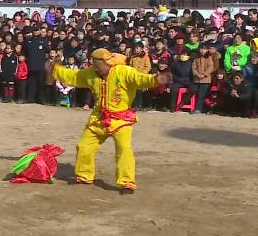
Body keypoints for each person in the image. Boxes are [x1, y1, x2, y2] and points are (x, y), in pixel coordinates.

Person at [52, 48, 169, 195]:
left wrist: (155, 80)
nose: (94, 66)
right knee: (84, 146)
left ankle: (126, 182)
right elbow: (73, 76)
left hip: (121, 119)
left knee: (124, 149)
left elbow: (141, 79)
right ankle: (84, 175)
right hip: (99, 117)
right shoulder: (90, 73)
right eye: (93, 62)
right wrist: (55, 69)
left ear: (107, 63)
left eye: (97, 63)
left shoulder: (124, 71)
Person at [192, 44, 214, 114]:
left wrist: (204, 74)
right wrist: (197, 74)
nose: (202, 51)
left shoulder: (209, 57)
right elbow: (193, 67)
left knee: (202, 95)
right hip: (197, 79)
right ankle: (197, 108)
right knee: (197, 94)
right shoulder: (196, 57)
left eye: (204, 49)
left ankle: (198, 109)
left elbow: (211, 67)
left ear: (207, 50)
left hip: (206, 79)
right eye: (201, 49)